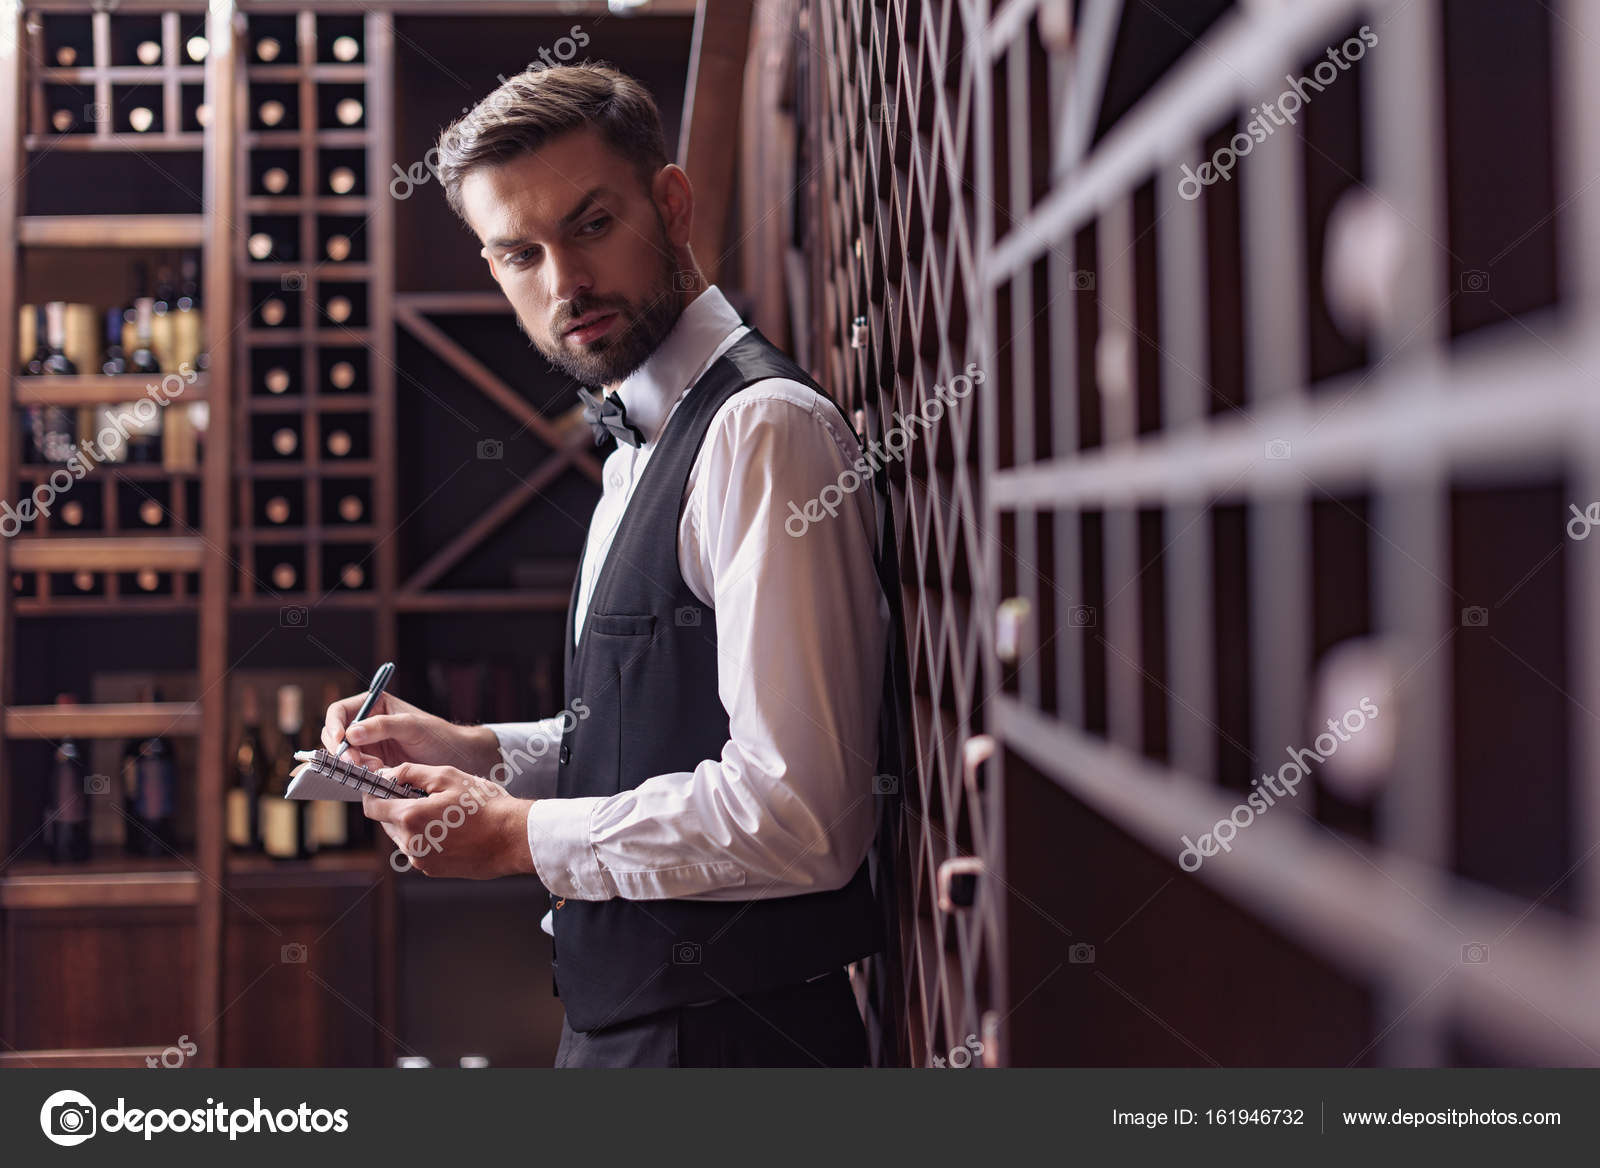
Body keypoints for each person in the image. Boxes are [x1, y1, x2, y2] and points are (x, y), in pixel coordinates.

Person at [322, 62, 890, 1067]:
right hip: (631, 1034)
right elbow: (652, 729)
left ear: (670, 205)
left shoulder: (759, 430)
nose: (564, 284)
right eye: (519, 254)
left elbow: (800, 813)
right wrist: (477, 750)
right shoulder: (639, 435)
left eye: (590, 226)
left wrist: (515, 835)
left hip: (733, 1048)